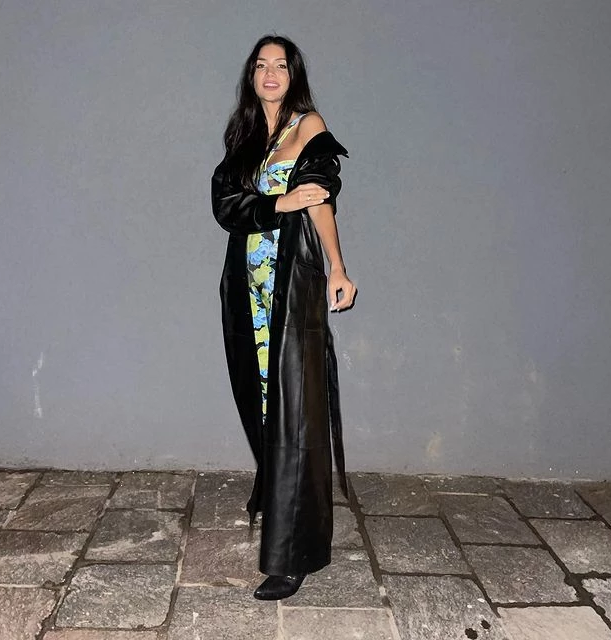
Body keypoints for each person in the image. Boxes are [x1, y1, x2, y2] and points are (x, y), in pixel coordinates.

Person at [211, 34, 356, 601]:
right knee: (262, 400)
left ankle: (293, 553)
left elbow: (321, 201)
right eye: (261, 65)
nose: (270, 73)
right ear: (251, 76)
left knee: (295, 410)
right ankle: (276, 497)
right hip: (246, 289)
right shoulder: (245, 135)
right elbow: (227, 206)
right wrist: (277, 202)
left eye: (280, 65)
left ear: (294, 75)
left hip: (291, 286)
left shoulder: (308, 126)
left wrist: (338, 268)